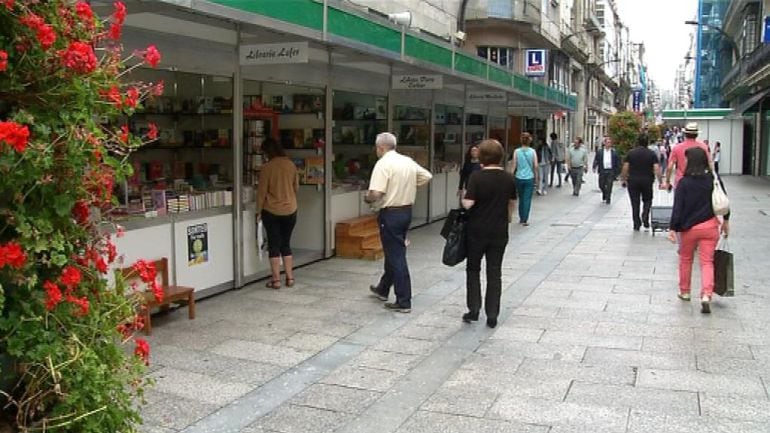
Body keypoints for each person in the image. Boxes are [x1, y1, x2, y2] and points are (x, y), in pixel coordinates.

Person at [366, 132, 432, 313]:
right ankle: (383, 288)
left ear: (380, 147)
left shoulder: (383, 164)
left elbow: (376, 193)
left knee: (396, 255)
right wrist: (408, 185)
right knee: (394, 250)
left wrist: (367, 197)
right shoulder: (407, 161)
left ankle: (404, 299)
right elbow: (426, 176)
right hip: (406, 211)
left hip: (391, 213)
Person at [461, 139, 517, 329]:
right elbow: (511, 202)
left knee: (473, 269)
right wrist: (508, 218)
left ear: (482, 156)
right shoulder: (509, 177)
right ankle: (492, 314)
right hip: (499, 230)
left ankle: (474, 309)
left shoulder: (476, 177)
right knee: (495, 272)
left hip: (476, 230)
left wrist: (463, 199)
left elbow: (468, 203)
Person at [668, 147, 730, 313]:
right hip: (710, 227)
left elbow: (678, 208)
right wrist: (726, 221)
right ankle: (706, 294)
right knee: (707, 262)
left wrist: (673, 228)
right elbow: (723, 199)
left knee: (686, 259)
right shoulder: (713, 179)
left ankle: (685, 291)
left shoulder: (684, 183)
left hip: (689, 229)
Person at [257, 138, 299, 289]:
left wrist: (258, 211)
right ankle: (290, 278)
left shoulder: (267, 168)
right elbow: (296, 188)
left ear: (268, 152)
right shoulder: (291, 165)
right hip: (291, 210)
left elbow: (262, 192)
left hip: (272, 210)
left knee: (274, 245)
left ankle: (276, 280)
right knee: (286, 244)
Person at [621, 134, 660, 231]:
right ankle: (645, 215)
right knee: (648, 200)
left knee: (635, 202)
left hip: (633, 180)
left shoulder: (631, 153)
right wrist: (660, 181)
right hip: (647, 180)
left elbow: (626, 167)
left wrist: (624, 179)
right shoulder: (651, 154)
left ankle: (636, 223)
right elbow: (656, 168)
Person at [663, 122, 710, 190]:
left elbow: (670, 167)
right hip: (699, 182)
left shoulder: (677, 148)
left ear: (685, 134)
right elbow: (709, 164)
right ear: (697, 134)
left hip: (681, 181)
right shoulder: (703, 147)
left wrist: (667, 181)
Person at [510, 132, 538, 226]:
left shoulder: (516, 151)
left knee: (521, 198)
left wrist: (511, 176)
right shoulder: (532, 152)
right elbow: (536, 166)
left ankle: (521, 216)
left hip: (519, 177)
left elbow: (514, 165)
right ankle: (524, 218)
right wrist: (536, 178)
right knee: (527, 199)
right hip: (529, 178)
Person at [592, 135, 621, 204]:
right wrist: (594, 167)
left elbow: (617, 162)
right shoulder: (600, 152)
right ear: (604, 143)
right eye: (607, 142)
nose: (608, 144)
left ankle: (608, 198)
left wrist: (617, 172)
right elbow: (596, 160)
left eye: (610, 142)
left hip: (610, 171)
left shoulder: (614, 152)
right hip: (602, 170)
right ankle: (605, 193)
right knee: (601, 185)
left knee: (609, 184)